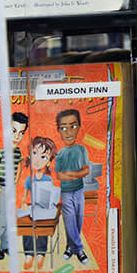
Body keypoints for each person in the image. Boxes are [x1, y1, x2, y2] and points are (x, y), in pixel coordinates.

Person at [0, 111, 29, 260]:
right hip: (3, 187)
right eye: (13, 131)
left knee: (10, 217)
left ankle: (5, 245)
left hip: (11, 187)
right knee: (3, 219)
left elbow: (18, 166)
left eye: (21, 132)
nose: (17, 136)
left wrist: (16, 182)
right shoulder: (3, 151)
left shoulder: (17, 152)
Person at [55, 108, 90, 264]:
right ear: (59, 131)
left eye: (73, 126)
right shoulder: (61, 154)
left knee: (78, 219)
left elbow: (86, 170)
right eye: (63, 128)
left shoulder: (82, 149)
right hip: (66, 192)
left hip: (79, 190)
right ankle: (80, 249)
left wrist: (72, 174)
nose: (68, 132)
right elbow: (59, 175)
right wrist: (76, 173)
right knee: (69, 219)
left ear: (80, 127)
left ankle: (70, 247)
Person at [21, 136, 58, 271]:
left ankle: (41, 253)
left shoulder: (48, 179)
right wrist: (24, 203)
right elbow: (24, 197)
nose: (37, 159)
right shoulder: (28, 179)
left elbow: (52, 194)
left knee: (43, 226)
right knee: (27, 226)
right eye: (35, 153)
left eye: (43, 157)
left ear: (48, 162)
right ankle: (29, 254)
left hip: (44, 208)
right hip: (32, 207)